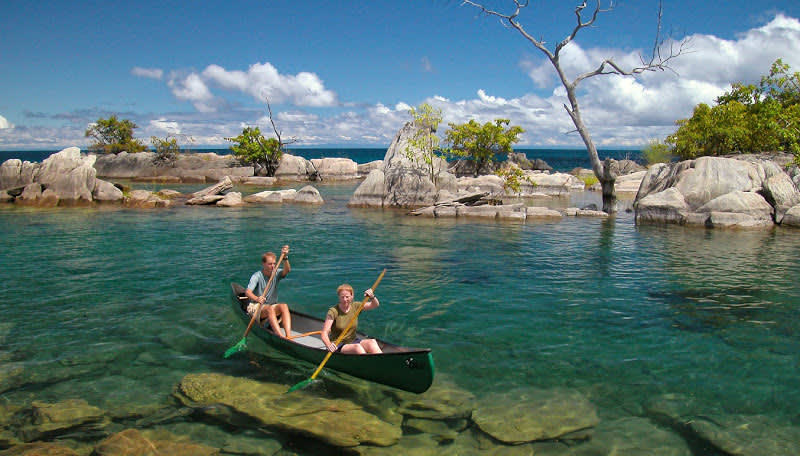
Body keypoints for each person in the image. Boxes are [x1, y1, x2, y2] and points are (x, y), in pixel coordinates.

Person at [244, 245, 292, 338]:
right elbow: (248, 292)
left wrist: (285, 257)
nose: (273, 266)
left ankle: (288, 336)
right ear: (263, 264)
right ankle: (280, 337)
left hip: (270, 305)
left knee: (284, 306)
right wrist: (257, 298)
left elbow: (287, 270)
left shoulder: (276, 273)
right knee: (269, 309)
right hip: (256, 306)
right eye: (270, 264)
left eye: (274, 263)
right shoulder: (257, 276)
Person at [320, 283, 382, 354]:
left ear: (352, 296)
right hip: (338, 344)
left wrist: (372, 296)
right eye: (342, 297)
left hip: (352, 340)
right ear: (339, 297)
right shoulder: (333, 311)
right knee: (357, 348)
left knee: (372, 342)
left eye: (347, 297)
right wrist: (329, 345)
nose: (345, 299)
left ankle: (381, 361)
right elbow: (324, 333)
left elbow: (375, 305)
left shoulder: (356, 306)